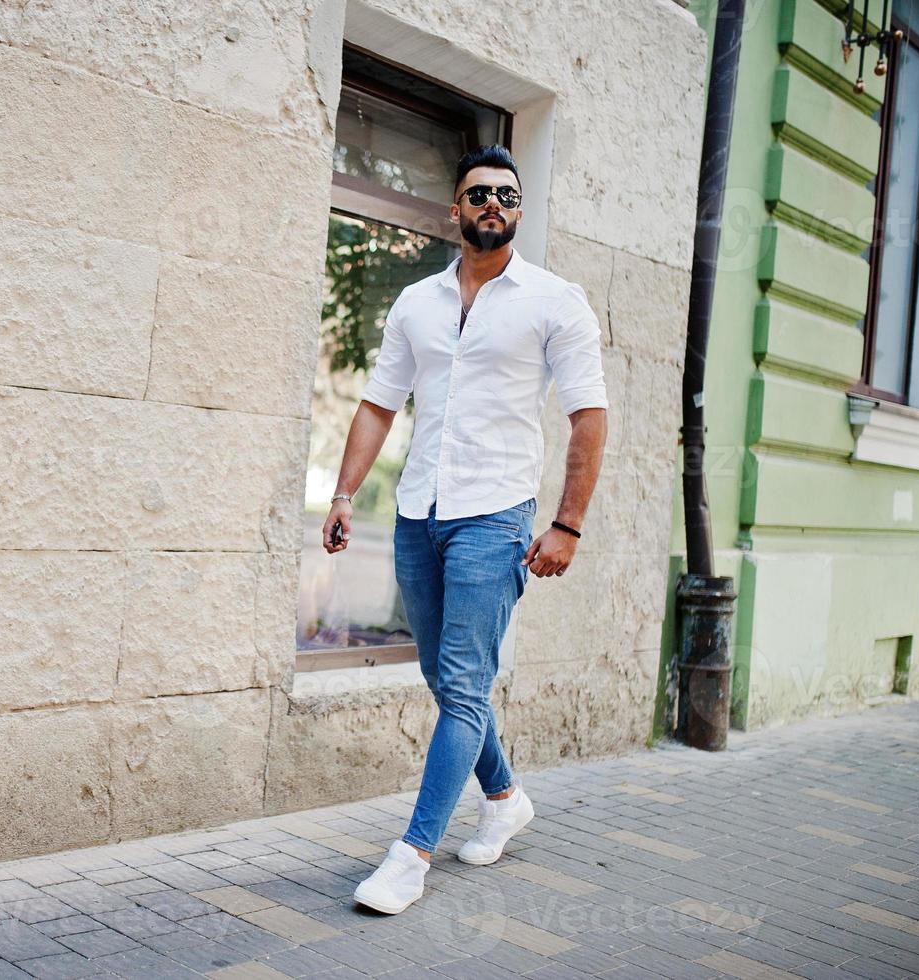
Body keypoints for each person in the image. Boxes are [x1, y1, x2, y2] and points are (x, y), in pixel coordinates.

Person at [323, 145, 609, 914]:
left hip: (496, 513)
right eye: (478, 194)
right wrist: (346, 493)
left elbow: (589, 417)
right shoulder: (415, 302)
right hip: (419, 510)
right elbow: (380, 404)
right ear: (455, 211)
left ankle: (410, 855)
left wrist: (566, 525)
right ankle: (506, 796)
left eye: (506, 196)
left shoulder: (554, 299)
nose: (492, 204)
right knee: (449, 680)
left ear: (519, 211)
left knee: (460, 686)